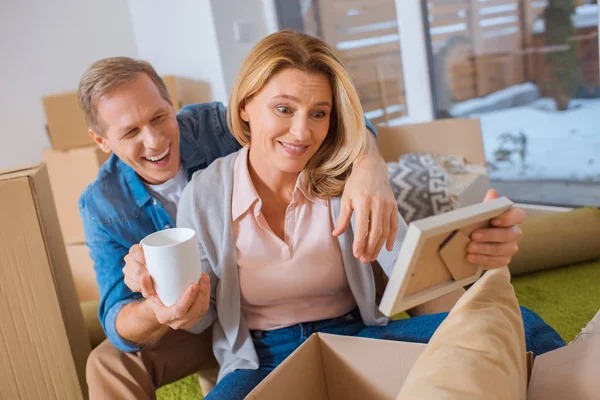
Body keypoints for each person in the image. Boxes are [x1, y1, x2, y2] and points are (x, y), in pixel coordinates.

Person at [171, 30, 565, 399]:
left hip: (355, 336)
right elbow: (200, 320)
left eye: (318, 113)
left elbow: (408, 269)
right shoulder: (203, 194)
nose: (301, 132)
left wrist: (470, 266)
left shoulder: (349, 179)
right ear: (244, 107)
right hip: (259, 359)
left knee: (516, 324)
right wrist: (177, 303)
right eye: (283, 109)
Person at [77, 54, 398, 398]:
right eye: (131, 132)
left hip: (277, 295)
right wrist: (158, 308)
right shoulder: (101, 204)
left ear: (172, 103)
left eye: (159, 117)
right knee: (107, 362)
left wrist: (369, 165)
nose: (155, 141)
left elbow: (331, 120)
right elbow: (117, 316)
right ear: (102, 141)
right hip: (200, 321)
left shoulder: (217, 124)